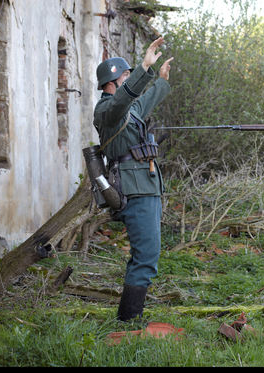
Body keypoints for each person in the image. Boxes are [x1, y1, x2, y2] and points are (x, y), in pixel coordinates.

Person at [93, 37, 173, 322]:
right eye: (126, 77)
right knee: (146, 257)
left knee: (147, 255)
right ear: (111, 84)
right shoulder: (107, 111)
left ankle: (130, 318)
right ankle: (128, 320)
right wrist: (143, 68)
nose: (130, 83)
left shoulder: (128, 111)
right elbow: (124, 100)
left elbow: (143, 102)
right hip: (133, 190)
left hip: (146, 187)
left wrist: (159, 80)